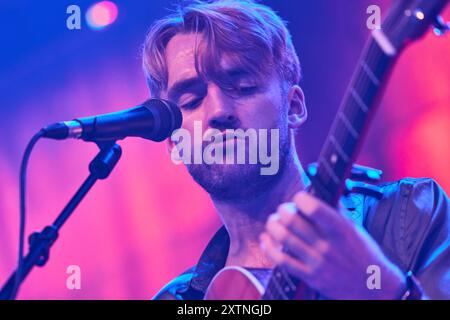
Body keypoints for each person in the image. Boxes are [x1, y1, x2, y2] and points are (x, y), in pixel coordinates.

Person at [141, 0, 450, 299]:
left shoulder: (408, 216)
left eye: (243, 87)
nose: (219, 111)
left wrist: (378, 290)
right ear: (174, 143)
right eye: (191, 101)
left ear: (294, 107)